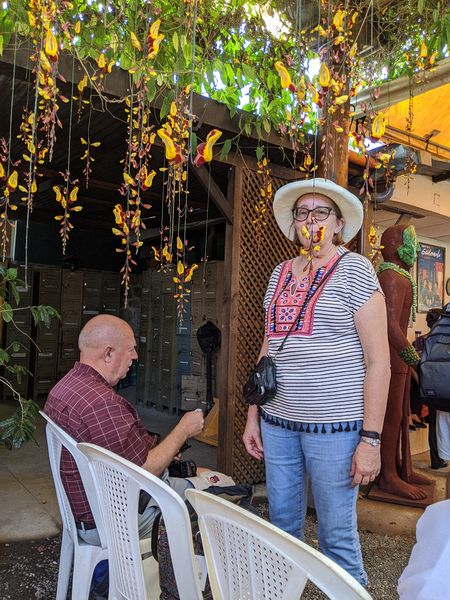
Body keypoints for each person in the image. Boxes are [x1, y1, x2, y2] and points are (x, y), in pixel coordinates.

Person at [243, 177, 390, 586]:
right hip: (277, 423)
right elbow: (268, 348)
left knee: (336, 537)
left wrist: (371, 440)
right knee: (282, 526)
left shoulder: (355, 270)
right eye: (303, 213)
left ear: (339, 224)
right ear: (294, 224)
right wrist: (253, 415)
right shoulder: (279, 274)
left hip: (336, 429)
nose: (311, 221)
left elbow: (379, 362)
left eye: (320, 212)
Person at [44, 314, 205, 546]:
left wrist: (164, 448)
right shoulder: (102, 402)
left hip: (84, 513)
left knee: (197, 472)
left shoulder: (66, 387)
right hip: (115, 518)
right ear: (108, 353)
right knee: (222, 491)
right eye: (130, 349)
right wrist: (183, 431)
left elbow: (119, 445)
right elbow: (143, 472)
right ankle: (192, 577)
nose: (135, 356)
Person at [377, 225, 434, 502]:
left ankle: (401, 468)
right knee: (390, 419)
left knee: (399, 417)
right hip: (389, 358)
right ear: (396, 245)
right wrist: (413, 356)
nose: (415, 250)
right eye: (410, 243)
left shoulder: (398, 277)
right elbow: (389, 325)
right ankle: (388, 476)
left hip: (396, 357)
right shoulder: (390, 276)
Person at [412, 308, 447, 469]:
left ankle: (436, 458)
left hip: (429, 389)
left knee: (434, 423)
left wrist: (421, 382)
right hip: (441, 388)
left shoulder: (422, 341)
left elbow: (414, 363)